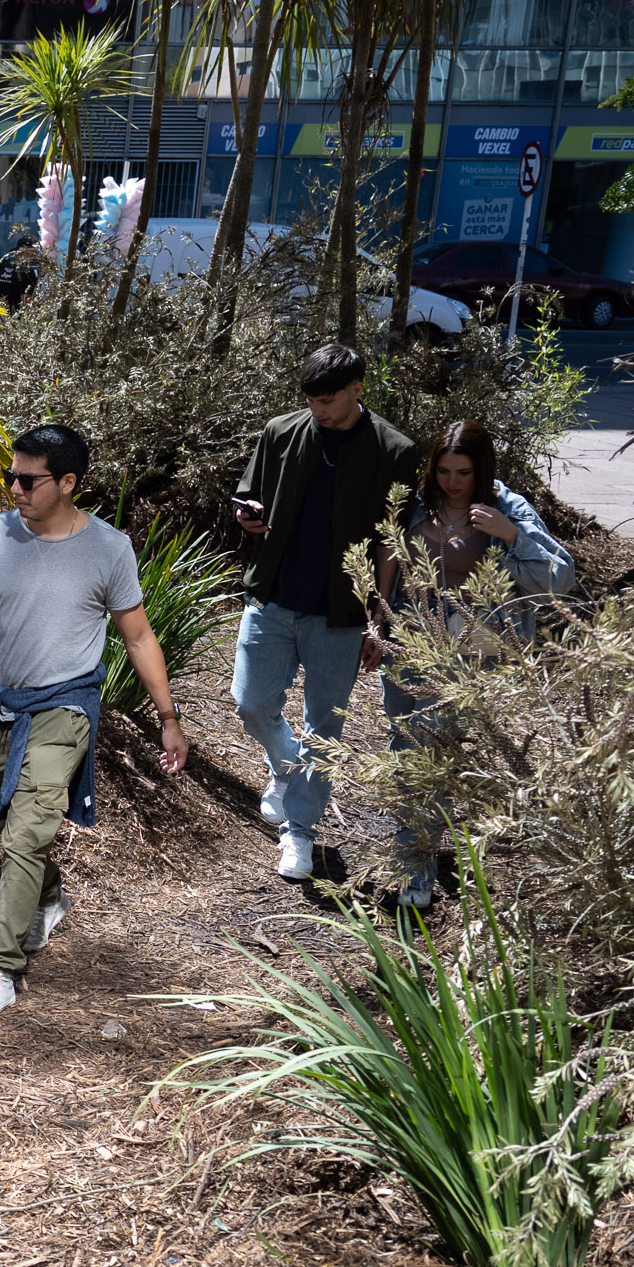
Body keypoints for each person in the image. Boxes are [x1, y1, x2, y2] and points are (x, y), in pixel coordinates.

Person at [0, 423, 191, 1019]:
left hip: (67, 703)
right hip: (1, 702)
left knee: (29, 826)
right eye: (10, 476)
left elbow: (139, 635)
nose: (14, 487)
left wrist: (169, 718)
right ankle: (47, 897)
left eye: (27, 478)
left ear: (68, 483)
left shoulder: (108, 548)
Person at [229, 343, 422, 881]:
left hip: (341, 612)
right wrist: (247, 515)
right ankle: (285, 767)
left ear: (358, 388)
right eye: (313, 400)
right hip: (273, 595)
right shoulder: (280, 431)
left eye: (330, 400)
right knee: (249, 702)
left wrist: (377, 619)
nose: (320, 410)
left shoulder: (395, 449)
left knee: (326, 729)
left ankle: (301, 833)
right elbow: (249, 494)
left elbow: (391, 540)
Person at [376, 418, 574, 908]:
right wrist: (378, 619)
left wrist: (511, 535)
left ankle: (415, 865)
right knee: (406, 740)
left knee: (431, 742)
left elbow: (560, 578)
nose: (452, 482)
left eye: (463, 472)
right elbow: (387, 554)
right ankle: (420, 841)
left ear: (481, 470)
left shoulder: (507, 507)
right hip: (411, 632)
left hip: (472, 644)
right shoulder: (417, 503)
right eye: (443, 471)